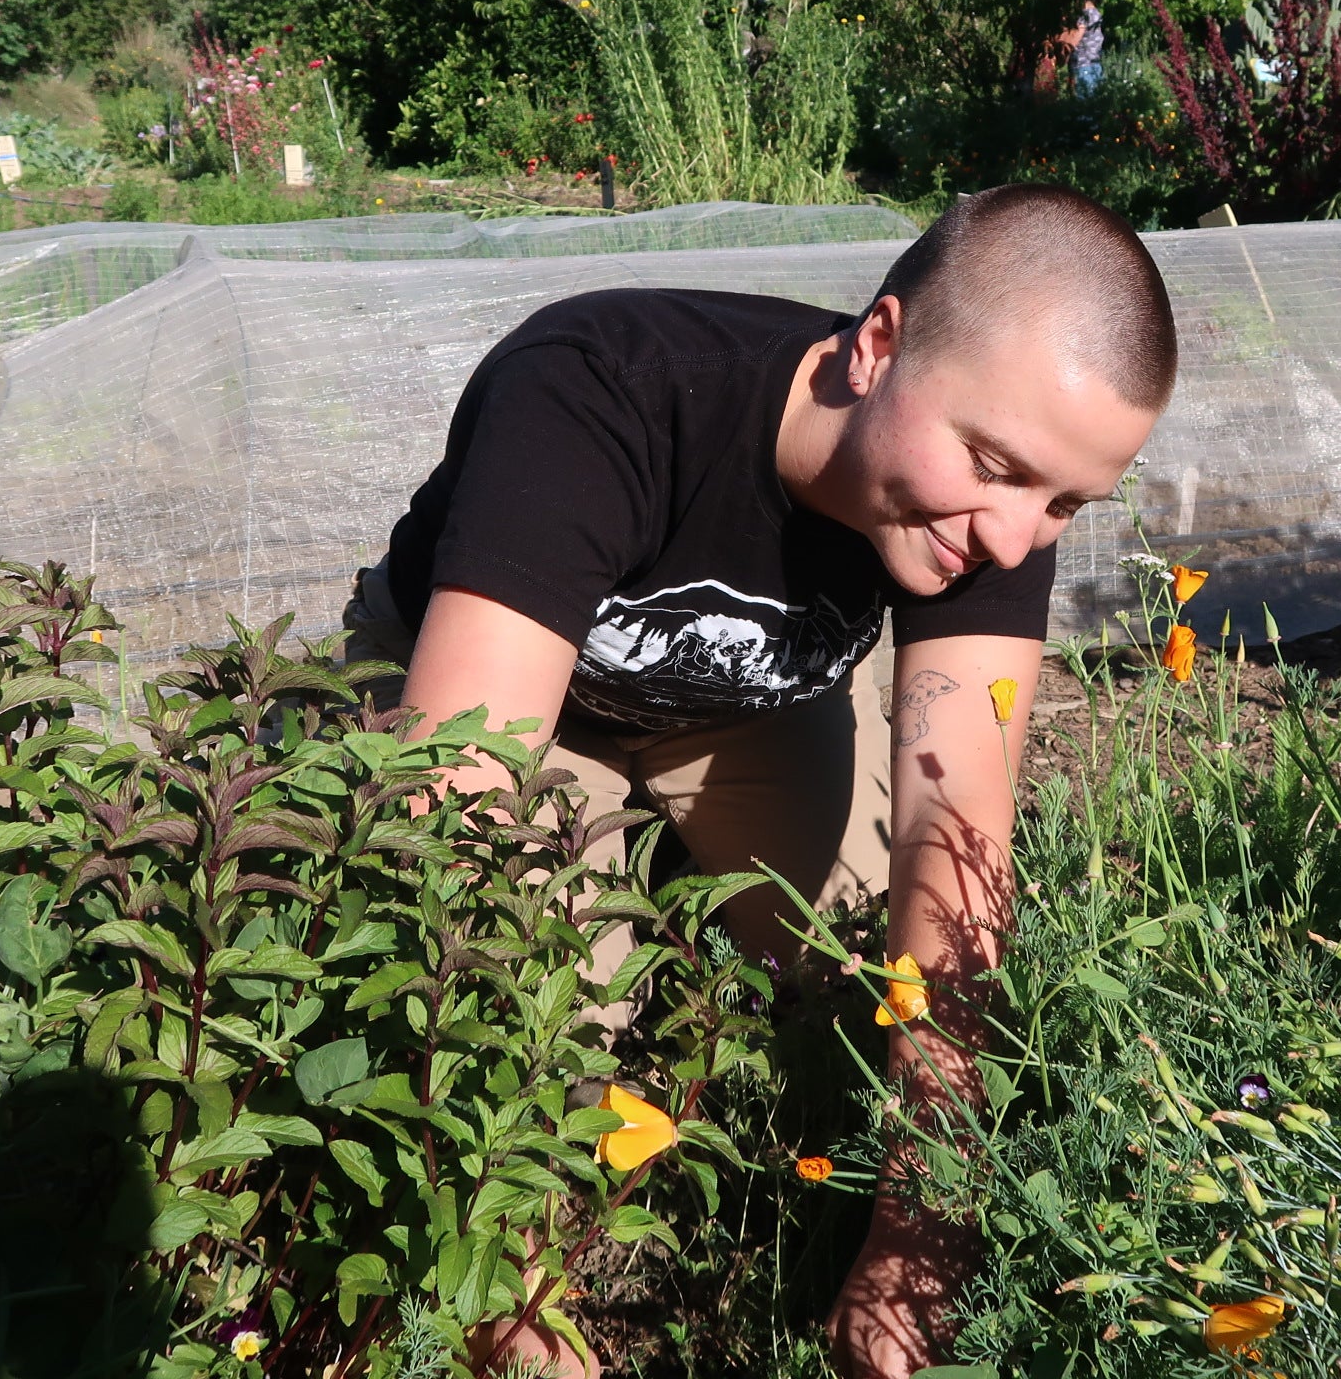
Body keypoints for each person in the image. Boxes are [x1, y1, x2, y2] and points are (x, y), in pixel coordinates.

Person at [345, 183, 1178, 1377]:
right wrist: (507, 1291)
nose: (1012, 539)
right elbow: (461, 799)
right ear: (876, 345)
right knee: (546, 1014)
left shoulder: (997, 504)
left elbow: (958, 830)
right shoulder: (603, 386)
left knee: (857, 970)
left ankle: (682, 896)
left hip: (743, 703)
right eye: (995, 468)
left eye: (1064, 503)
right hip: (509, 704)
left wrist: (921, 1236)